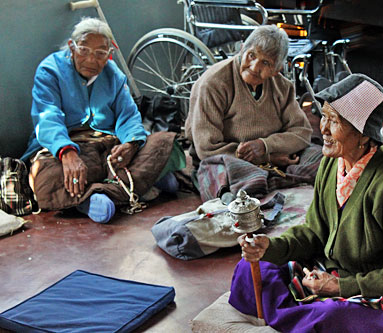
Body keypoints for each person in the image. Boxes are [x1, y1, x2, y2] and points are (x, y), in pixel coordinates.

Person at [229, 74, 383, 332]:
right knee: (250, 269)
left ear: (362, 133)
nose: (323, 128)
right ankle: (299, 316)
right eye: (323, 116)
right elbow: (314, 232)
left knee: (328, 316)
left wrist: (339, 287)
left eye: (334, 121)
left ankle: (300, 314)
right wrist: (269, 246)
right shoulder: (331, 162)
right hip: (330, 271)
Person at [21, 17, 185, 223]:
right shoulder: (50, 71)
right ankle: (128, 188)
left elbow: (129, 115)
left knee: (162, 142)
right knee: (44, 178)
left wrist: (130, 145)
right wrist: (67, 153)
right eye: (84, 50)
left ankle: (100, 192)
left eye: (100, 54)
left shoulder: (114, 75)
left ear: (109, 55)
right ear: (72, 47)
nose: (91, 60)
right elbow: (48, 118)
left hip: (106, 147)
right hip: (68, 149)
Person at [185, 25, 323, 202]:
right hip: (227, 159)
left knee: (322, 160)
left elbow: (302, 132)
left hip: (272, 155)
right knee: (225, 175)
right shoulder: (213, 83)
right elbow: (207, 148)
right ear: (242, 50)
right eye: (251, 55)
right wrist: (268, 159)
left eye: (266, 63)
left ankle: (263, 183)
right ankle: (267, 181)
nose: (254, 66)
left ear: (277, 69)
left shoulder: (283, 87)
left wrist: (265, 146)